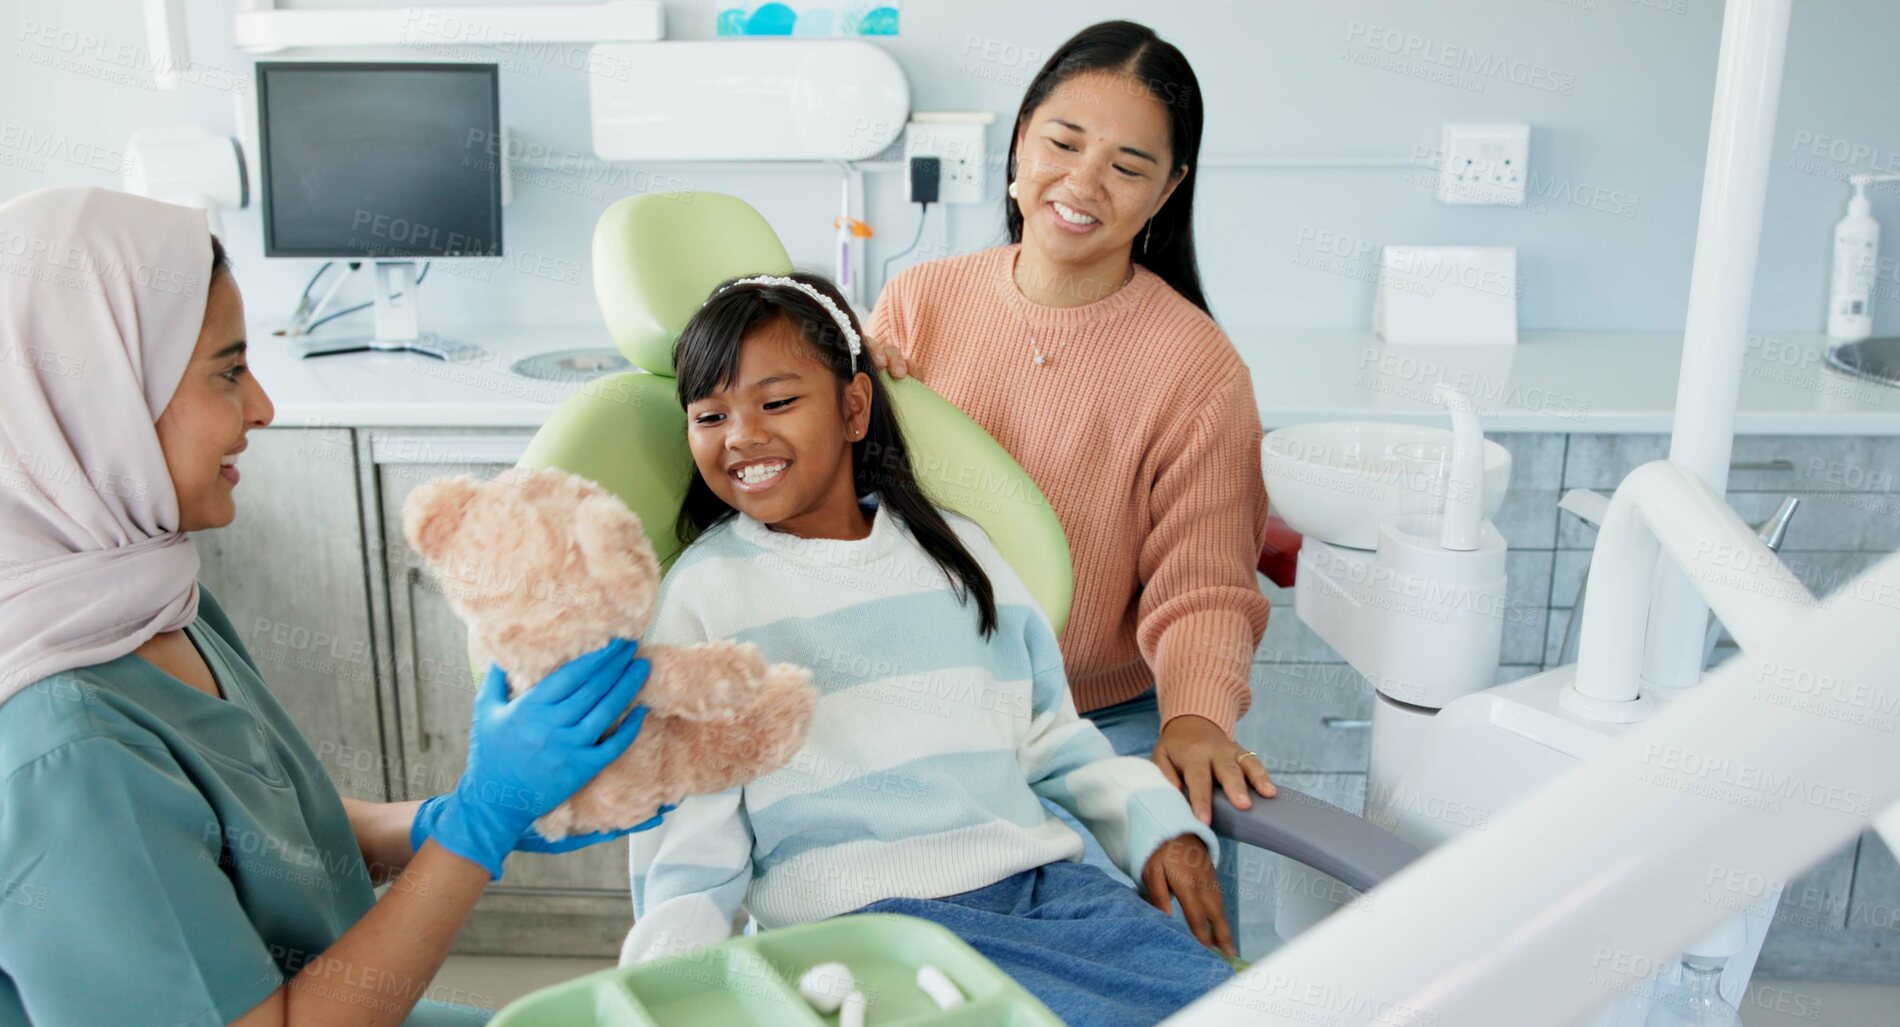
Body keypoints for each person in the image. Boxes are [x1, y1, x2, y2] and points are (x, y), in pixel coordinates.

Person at [0, 186, 666, 1027]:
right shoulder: (64, 753)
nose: (263, 408)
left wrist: (452, 815)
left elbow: (254, 831)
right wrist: (478, 829)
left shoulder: (142, 597)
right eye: (228, 372)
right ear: (98, 398)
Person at [622, 272, 1237, 1027]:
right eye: (709, 415)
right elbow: (694, 835)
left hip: (1046, 897)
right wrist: (663, 988)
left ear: (853, 407)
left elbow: (1050, 735)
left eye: (777, 402)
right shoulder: (703, 596)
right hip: (857, 937)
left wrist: (1158, 828)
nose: (741, 435)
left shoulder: (957, 554)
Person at [865, 20, 1274, 929]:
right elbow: (853, 510)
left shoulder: (1198, 369)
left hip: (1102, 715)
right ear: (1018, 146)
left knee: (1173, 909)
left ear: (1167, 191)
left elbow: (1203, 581)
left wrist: (1195, 717)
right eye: (1062, 142)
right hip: (932, 697)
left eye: (1128, 166)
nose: (1084, 183)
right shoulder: (917, 304)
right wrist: (843, 394)